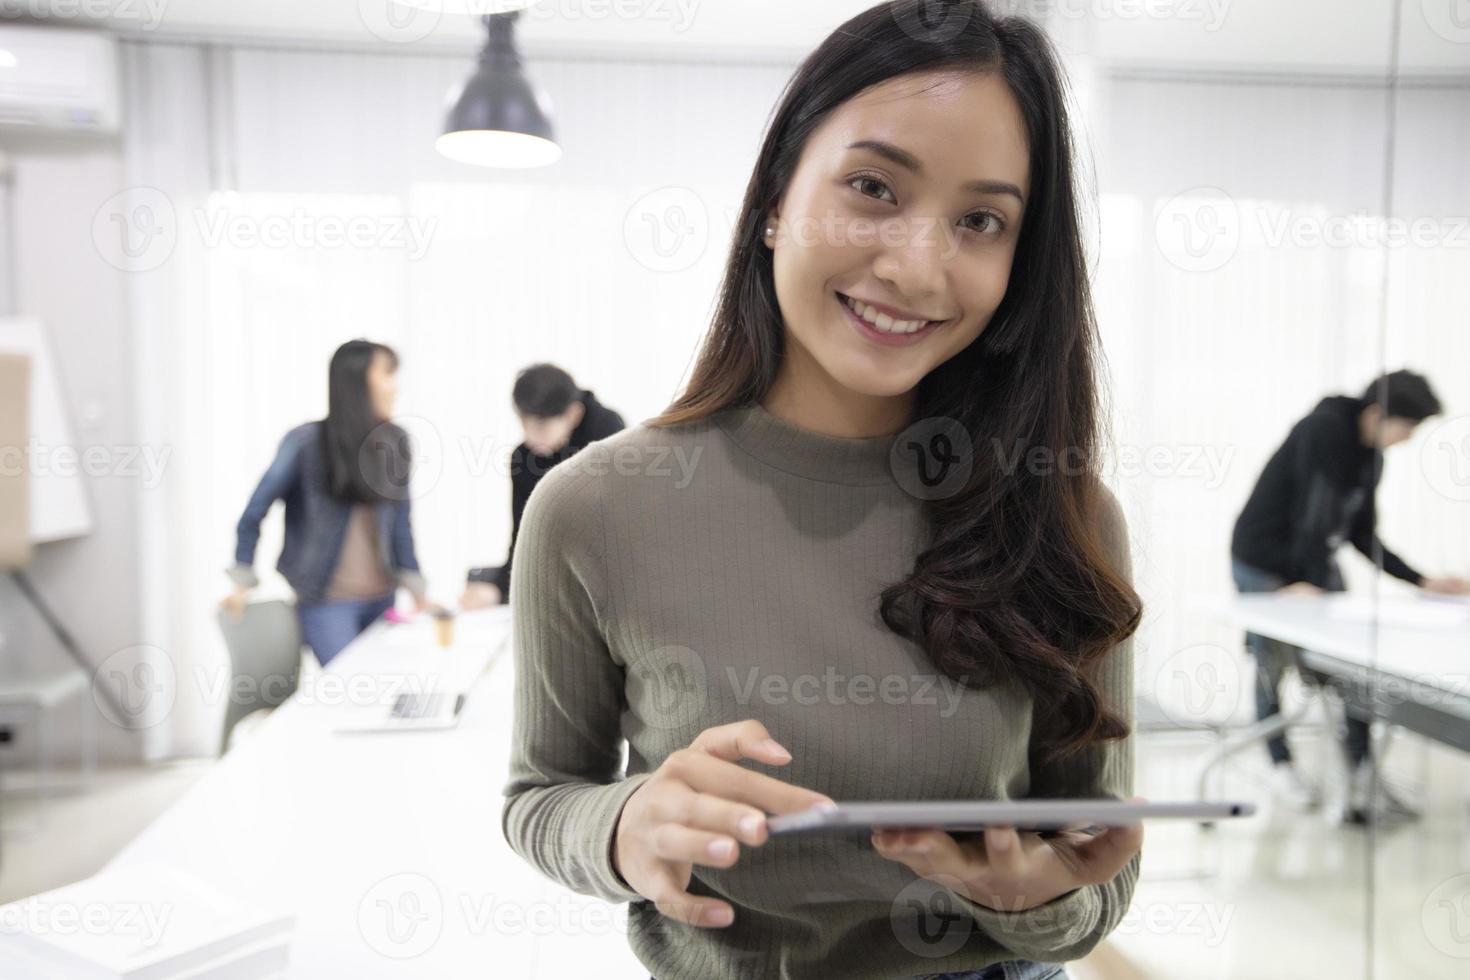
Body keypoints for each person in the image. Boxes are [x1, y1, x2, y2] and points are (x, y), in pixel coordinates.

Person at [501, 4, 1144, 979]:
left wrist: (1041, 898)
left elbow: (1100, 869)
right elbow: (540, 794)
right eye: (874, 187)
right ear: (773, 200)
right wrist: (629, 824)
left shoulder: (1062, 513)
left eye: (980, 219)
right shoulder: (593, 509)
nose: (918, 264)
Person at [1231, 369, 1470, 824]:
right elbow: (1310, 516)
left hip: (1312, 565)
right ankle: (1282, 765)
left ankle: (1360, 768)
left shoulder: (1372, 458)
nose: (1408, 438)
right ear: (1379, 413)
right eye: (1408, 427)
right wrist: (1295, 584)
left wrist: (1421, 581)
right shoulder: (1324, 430)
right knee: (1272, 661)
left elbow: (1362, 534)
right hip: (1264, 559)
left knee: (1353, 666)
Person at [221, 339, 430, 667]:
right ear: (358, 380)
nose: (395, 387)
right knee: (352, 695)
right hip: (327, 604)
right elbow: (255, 510)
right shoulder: (306, 443)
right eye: (387, 374)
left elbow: (401, 521)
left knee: (385, 695)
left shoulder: (395, 442)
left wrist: (418, 591)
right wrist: (242, 579)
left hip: (383, 599)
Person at [458, 364, 624, 609]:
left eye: (541, 426)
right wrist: (499, 588)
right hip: (558, 571)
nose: (531, 436)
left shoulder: (607, 431)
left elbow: (619, 520)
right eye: (524, 424)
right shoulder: (524, 457)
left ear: (574, 415)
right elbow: (523, 534)